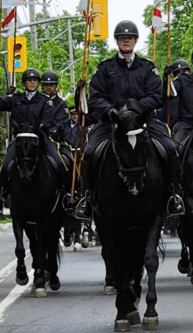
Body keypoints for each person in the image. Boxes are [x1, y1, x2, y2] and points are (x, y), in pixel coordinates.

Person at [73, 20, 184, 220]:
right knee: (88, 153)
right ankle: (86, 198)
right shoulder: (105, 68)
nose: (126, 41)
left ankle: (173, 195)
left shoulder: (147, 67)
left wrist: (137, 109)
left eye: (130, 38)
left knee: (170, 148)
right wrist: (112, 111)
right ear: (117, 41)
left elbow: (157, 95)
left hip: (143, 122)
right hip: (112, 122)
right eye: (122, 39)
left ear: (135, 41)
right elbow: (96, 96)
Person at [0, 68, 63, 211]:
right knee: (6, 164)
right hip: (20, 140)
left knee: (58, 161)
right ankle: (1, 197)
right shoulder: (15, 99)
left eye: (34, 80)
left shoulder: (45, 101)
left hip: (39, 139)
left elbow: (48, 120)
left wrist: (39, 128)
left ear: (38, 83)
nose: (32, 83)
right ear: (24, 83)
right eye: (29, 80)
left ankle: (65, 194)